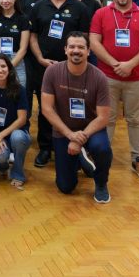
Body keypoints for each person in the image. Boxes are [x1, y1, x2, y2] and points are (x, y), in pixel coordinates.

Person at [89, 0, 139, 180]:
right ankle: (102, 158)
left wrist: (130, 64)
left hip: (136, 77)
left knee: (136, 119)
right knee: (106, 119)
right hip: (106, 77)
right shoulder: (101, 13)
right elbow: (94, 42)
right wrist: (114, 64)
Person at [28, 0, 93, 168]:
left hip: (72, 68)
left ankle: (72, 143)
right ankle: (45, 147)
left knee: (71, 106)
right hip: (44, 67)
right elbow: (33, 36)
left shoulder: (80, 8)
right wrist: (40, 58)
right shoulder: (39, 7)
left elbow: (84, 39)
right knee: (45, 108)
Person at [40, 32, 113, 204]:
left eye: (81, 47)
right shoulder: (52, 72)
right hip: (64, 130)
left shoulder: (100, 77)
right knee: (66, 187)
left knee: (102, 148)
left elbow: (103, 117)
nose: (76, 51)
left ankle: (101, 183)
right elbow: (47, 109)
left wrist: (80, 138)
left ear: (88, 51)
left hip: (91, 130)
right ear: (65, 50)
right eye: (72, 46)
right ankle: (81, 158)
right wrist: (70, 135)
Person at [0, 53, 31, 188]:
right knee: (1, 156)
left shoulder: (19, 89)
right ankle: (2, 165)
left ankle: (18, 173)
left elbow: (22, 119)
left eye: (3, 66)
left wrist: (0, 136)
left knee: (18, 137)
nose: (0, 70)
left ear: (9, 68)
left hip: (16, 132)